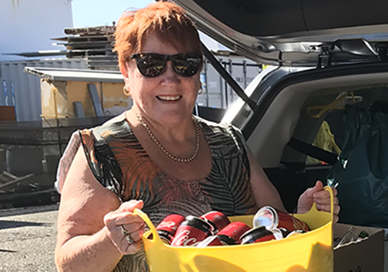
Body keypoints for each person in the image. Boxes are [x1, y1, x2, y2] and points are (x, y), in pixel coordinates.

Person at [54, 2, 340, 272]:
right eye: (151, 64)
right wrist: (109, 240)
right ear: (126, 71)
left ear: (198, 73)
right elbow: (68, 261)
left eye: (185, 63)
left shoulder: (230, 143)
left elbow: (274, 228)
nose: (170, 78)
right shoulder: (102, 150)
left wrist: (303, 216)